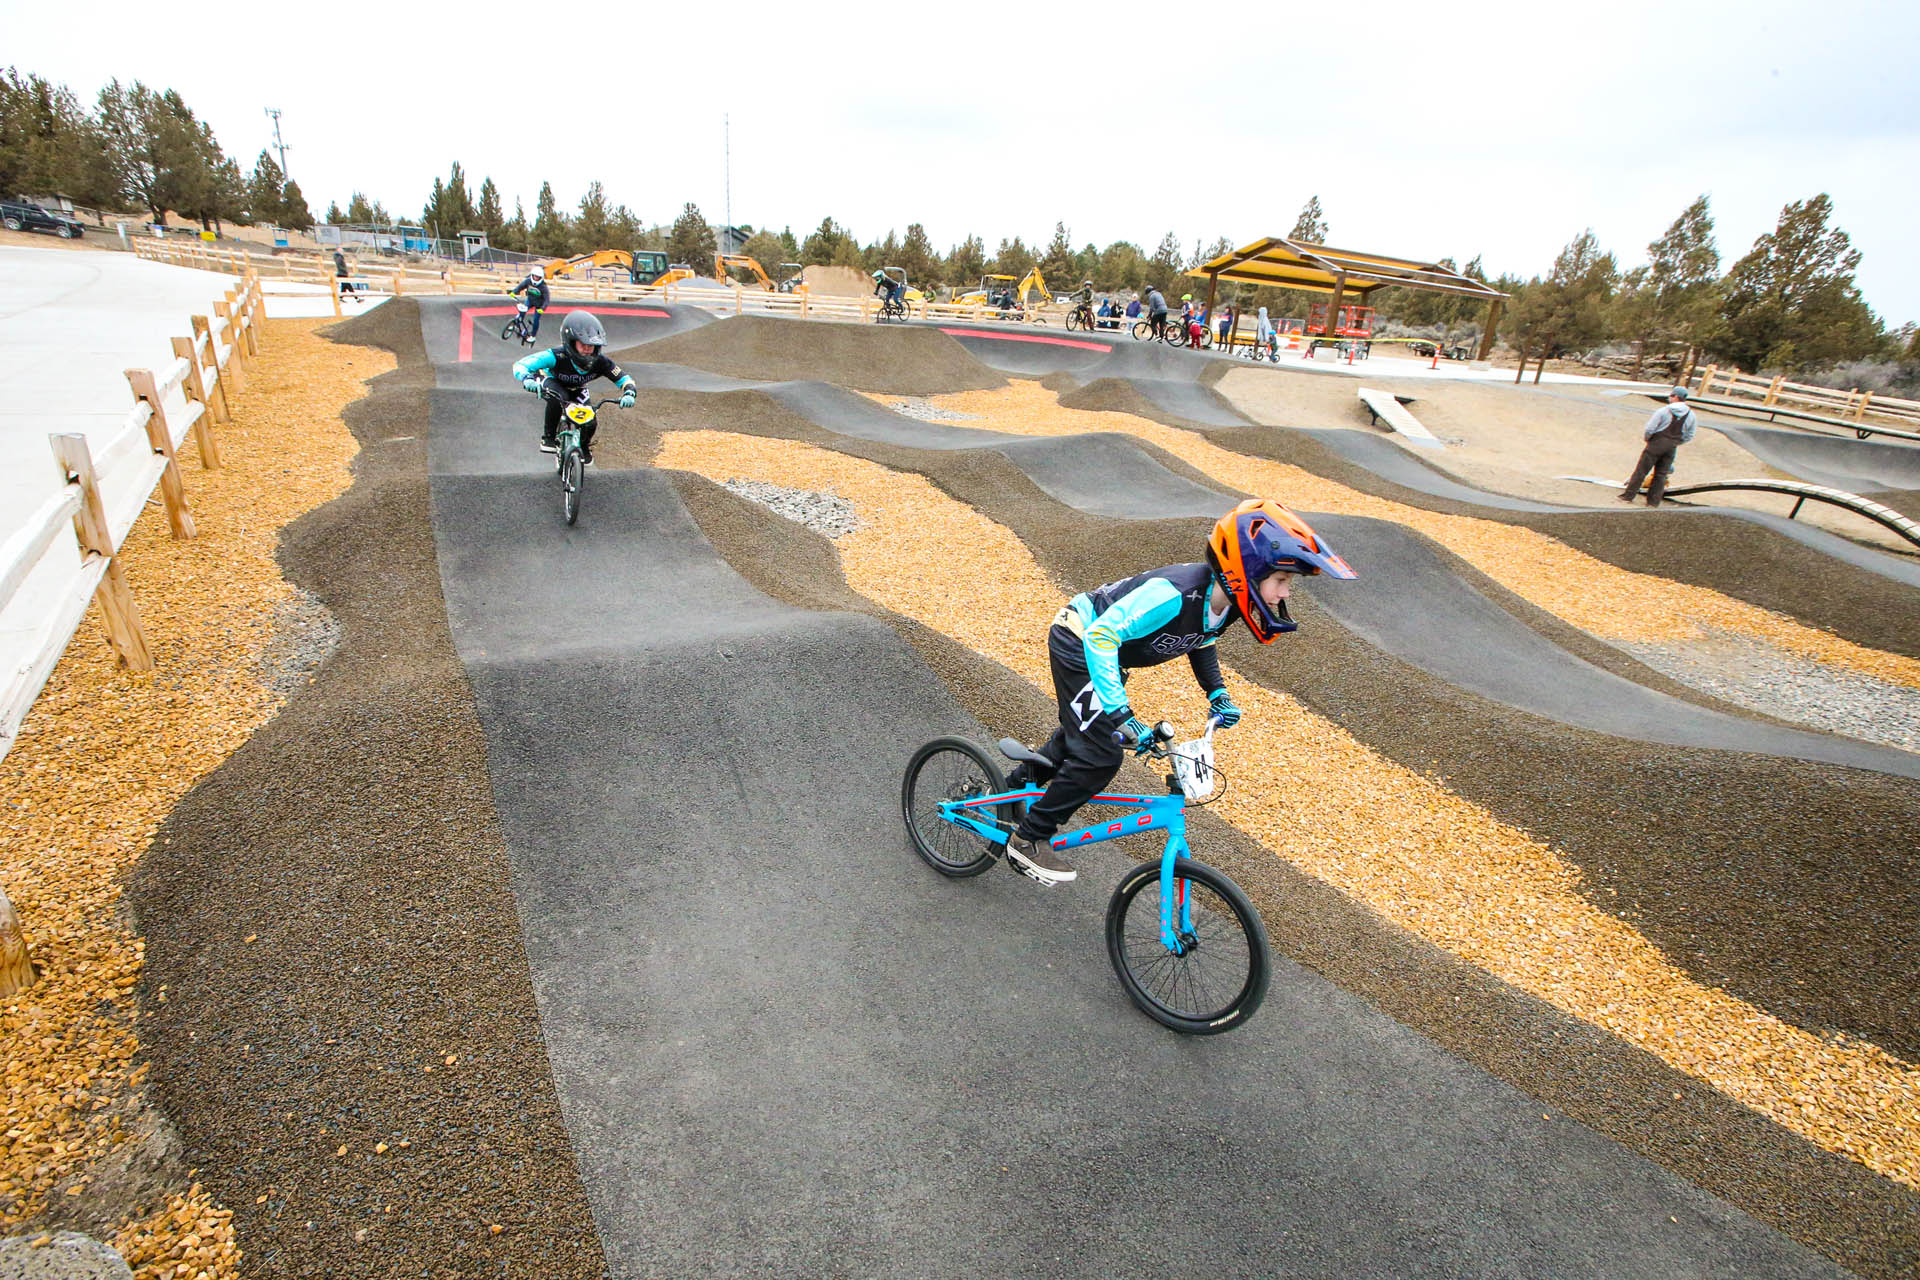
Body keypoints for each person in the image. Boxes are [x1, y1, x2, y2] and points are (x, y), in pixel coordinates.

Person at [1001, 499, 1356, 886]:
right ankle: (1030, 837)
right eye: (1282, 581)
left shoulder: (1227, 603)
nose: (1283, 594)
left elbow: (1201, 638)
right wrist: (1122, 712)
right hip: (1080, 640)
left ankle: (1015, 785)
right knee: (1101, 754)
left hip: (1107, 653)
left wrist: (1216, 691)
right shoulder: (1172, 593)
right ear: (1245, 572)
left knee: (1085, 733)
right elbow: (1102, 635)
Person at [511, 310, 637, 464]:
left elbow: (623, 378)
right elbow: (521, 364)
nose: (587, 349)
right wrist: (526, 379)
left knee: (590, 420)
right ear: (570, 342)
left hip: (578, 388)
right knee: (558, 398)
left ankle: (583, 446)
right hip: (552, 381)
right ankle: (549, 438)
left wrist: (629, 393)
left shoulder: (602, 362)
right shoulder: (555, 355)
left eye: (592, 346)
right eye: (583, 344)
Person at [1619, 386, 1697, 507]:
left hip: (1656, 443)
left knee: (1641, 471)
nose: (1669, 398)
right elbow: (1690, 434)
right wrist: (1677, 442)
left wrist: (1648, 439)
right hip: (1672, 446)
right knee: (1661, 475)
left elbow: (1650, 428)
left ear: (1675, 397)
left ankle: (1628, 496)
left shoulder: (1664, 410)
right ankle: (1653, 502)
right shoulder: (1691, 415)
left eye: (1671, 396)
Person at [507, 264, 551, 344]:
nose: (535, 278)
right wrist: (513, 292)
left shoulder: (543, 287)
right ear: (532, 275)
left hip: (539, 305)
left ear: (541, 278)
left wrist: (543, 308)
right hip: (530, 300)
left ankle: (533, 336)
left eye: (538, 277)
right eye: (534, 276)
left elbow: (547, 300)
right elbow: (520, 286)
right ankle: (516, 324)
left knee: (536, 320)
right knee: (522, 311)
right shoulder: (528, 281)